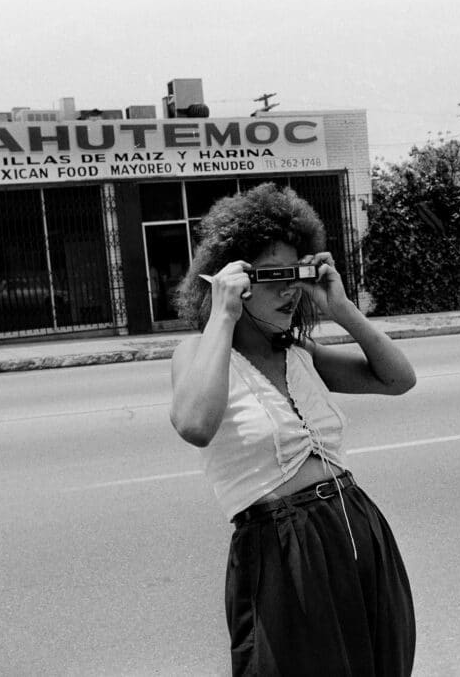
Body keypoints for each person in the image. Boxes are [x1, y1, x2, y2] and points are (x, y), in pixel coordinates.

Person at [170, 183, 417, 675]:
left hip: (357, 528)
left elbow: (398, 379)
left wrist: (341, 309)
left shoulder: (301, 355)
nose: (288, 290)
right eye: (274, 276)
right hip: (282, 551)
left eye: (296, 275)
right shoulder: (196, 353)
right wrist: (222, 314)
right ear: (233, 278)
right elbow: (195, 424)